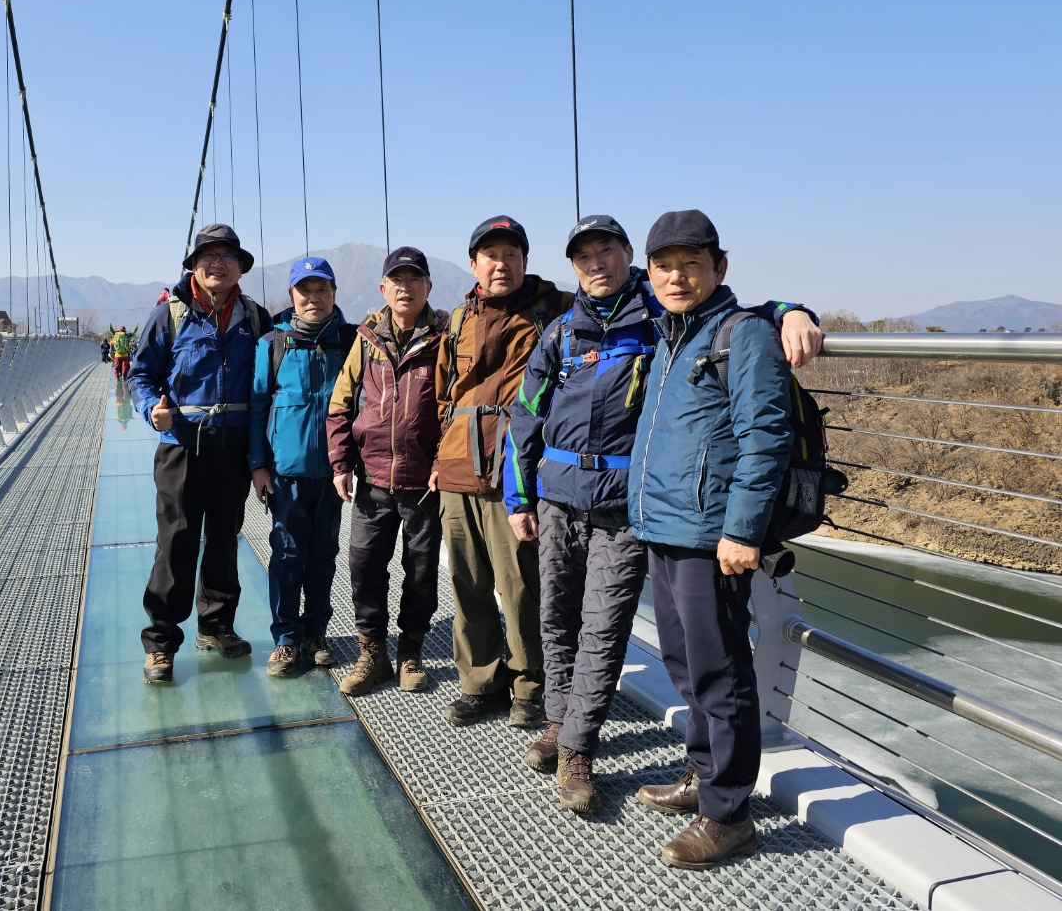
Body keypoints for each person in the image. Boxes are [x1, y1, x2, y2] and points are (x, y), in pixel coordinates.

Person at [506, 213, 820, 816]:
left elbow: (738, 315)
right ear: (573, 267)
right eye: (583, 256)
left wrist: (790, 309)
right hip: (561, 497)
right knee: (557, 621)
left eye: (606, 250)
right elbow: (525, 416)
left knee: (603, 630)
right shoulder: (560, 332)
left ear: (629, 256)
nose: (596, 263)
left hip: (628, 506)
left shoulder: (658, 316)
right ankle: (559, 723)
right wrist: (520, 498)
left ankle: (578, 748)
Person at [626, 209, 795, 869]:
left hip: (711, 537)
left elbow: (766, 437)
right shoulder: (670, 335)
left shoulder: (741, 334)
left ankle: (728, 815)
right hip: (664, 527)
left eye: (690, 264)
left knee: (721, 672)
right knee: (684, 664)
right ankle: (702, 775)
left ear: (719, 268)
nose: (676, 277)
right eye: (664, 267)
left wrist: (742, 530)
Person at [430, 216, 571, 730]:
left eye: (512, 254)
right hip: (457, 470)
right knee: (467, 584)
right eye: (491, 255)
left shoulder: (556, 309)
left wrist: (785, 311)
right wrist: (438, 460)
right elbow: (444, 394)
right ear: (474, 265)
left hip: (517, 471)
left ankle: (531, 685)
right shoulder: (457, 320)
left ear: (525, 261)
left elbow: (629, 289)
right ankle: (480, 683)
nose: (501, 264)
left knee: (521, 587)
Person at [130, 224, 269, 683]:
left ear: (240, 267)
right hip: (182, 447)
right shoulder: (168, 315)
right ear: (193, 265)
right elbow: (141, 375)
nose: (218, 263)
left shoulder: (255, 318)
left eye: (228, 255)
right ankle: (161, 642)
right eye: (209, 255)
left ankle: (216, 627)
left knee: (225, 539)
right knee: (177, 542)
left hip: (233, 448)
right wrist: (151, 409)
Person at [326, 246, 445, 696]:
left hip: (423, 483)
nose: (405, 287)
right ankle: (372, 652)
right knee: (364, 566)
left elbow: (452, 408)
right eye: (397, 280)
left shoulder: (444, 338)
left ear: (428, 287)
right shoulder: (366, 340)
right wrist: (341, 463)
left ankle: (410, 650)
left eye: (414, 279)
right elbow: (340, 403)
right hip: (372, 480)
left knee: (422, 571)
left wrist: (442, 463)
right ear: (383, 288)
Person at [248, 258, 354, 677]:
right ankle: (287, 639)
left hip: (333, 473)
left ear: (334, 293)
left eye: (321, 289)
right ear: (291, 296)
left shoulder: (350, 341)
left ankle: (316, 634)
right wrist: (257, 465)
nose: (313, 298)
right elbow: (258, 407)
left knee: (324, 555)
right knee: (288, 555)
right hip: (285, 473)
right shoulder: (272, 344)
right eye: (304, 291)